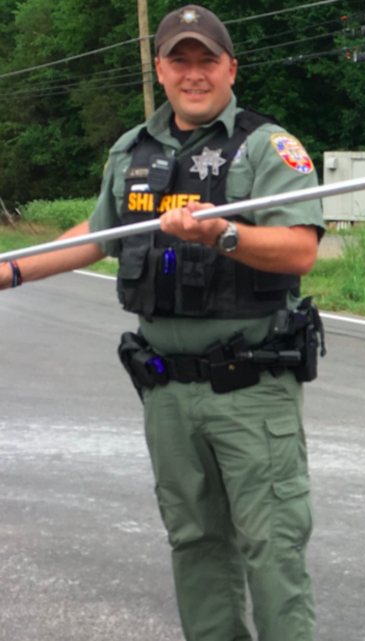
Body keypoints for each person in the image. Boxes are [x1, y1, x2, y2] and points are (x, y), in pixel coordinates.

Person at [0, 5, 323, 640]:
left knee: (272, 546)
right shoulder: (131, 152)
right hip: (166, 392)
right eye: (181, 60)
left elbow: (300, 250)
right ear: (160, 69)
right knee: (194, 542)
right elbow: (97, 238)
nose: (194, 74)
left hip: (250, 391)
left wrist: (223, 233)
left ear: (232, 67)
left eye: (207, 60)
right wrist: (10, 270)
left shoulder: (267, 146)